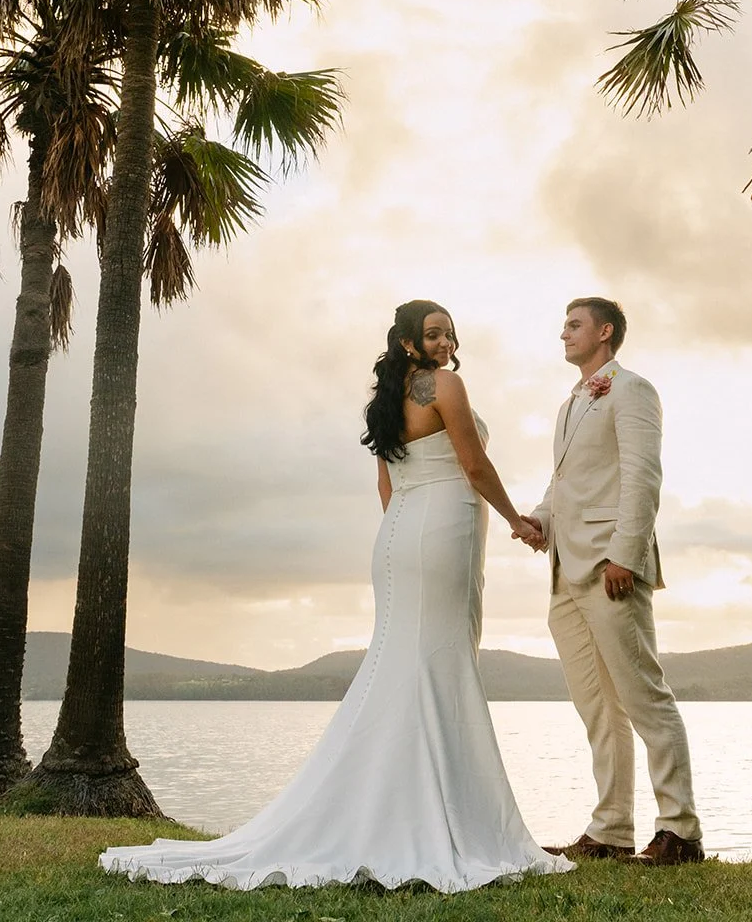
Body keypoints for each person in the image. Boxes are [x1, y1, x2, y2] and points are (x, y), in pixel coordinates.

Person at [100, 300, 571, 892]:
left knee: (408, 664)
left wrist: (402, 537)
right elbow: (474, 466)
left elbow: (386, 485)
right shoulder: (445, 387)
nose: (445, 342)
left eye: (449, 333)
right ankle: (437, 819)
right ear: (406, 343)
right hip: (441, 528)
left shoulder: (384, 403)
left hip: (400, 533)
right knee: (437, 663)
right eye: (432, 334)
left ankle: (404, 807)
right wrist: (518, 522)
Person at [517, 296, 703, 866]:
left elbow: (643, 477)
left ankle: (680, 831)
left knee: (644, 695)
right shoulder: (570, 402)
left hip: (609, 568)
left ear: (605, 332)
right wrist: (540, 519)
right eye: (563, 325)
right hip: (563, 572)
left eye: (573, 325)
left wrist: (625, 554)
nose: (564, 334)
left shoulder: (632, 389)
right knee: (597, 707)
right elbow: (565, 480)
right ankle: (611, 829)